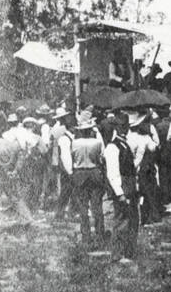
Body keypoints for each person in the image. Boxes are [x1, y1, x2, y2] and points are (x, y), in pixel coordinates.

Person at [0, 119, 35, 231]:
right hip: (9, 177)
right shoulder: (12, 143)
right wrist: (14, 171)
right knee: (16, 198)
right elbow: (20, 157)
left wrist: (4, 171)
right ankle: (27, 218)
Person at [61, 111, 106, 246]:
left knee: (83, 206)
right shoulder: (97, 142)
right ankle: (99, 233)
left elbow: (71, 158)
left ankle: (85, 234)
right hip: (94, 172)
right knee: (97, 205)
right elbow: (101, 158)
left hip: (80, 173)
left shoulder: (74, 143)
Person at [103, 112, 139, 261]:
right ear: (116, 128)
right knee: (121, 221)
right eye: (122, 126)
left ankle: (128, 252)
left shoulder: (124, 143)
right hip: (122, 187)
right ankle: (117, 254)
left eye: (127, 125)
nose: (125, 128)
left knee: (132, 220)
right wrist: (120, 193)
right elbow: (112, 173)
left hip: (130, 185)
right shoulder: (112, 147)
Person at [128, 111, 162, 225]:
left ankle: (138, 216)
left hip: (131, 168)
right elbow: (154, 148)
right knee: (148, 192)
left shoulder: (127, 138)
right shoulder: (144, 138)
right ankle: (151, 214)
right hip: (144, 168)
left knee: (136, 193)